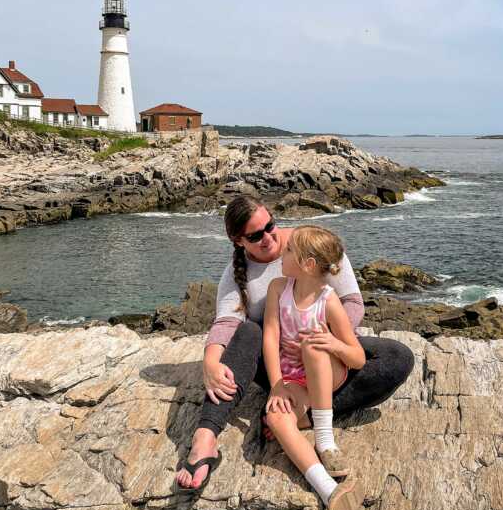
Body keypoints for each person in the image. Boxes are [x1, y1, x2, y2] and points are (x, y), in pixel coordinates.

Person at [174, 195, 415, 493]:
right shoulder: (243, 275)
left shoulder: (312, 245)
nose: (269, 237)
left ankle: (301, 416)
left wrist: (323, 340)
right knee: (249, 331)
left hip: (324, 354)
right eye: (255, 235)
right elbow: (227, 323)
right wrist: (211, 362)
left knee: (397, 357)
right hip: (279, 363)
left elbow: (353, 303)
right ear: (238, 241)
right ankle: (206, 437)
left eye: (270, 226)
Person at [263, 225, 365, 510]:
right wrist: (277, 386)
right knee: (275, 417)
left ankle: (325, 440)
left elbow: (357, 357)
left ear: (307, 264)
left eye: (289, 249)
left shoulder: (328, 299)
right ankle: (329, 490)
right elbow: (270, 338)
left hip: (326, 373)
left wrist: (333, 343)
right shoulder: (278, 289)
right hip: (293, 380)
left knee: (314, 345)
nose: (282, 250)